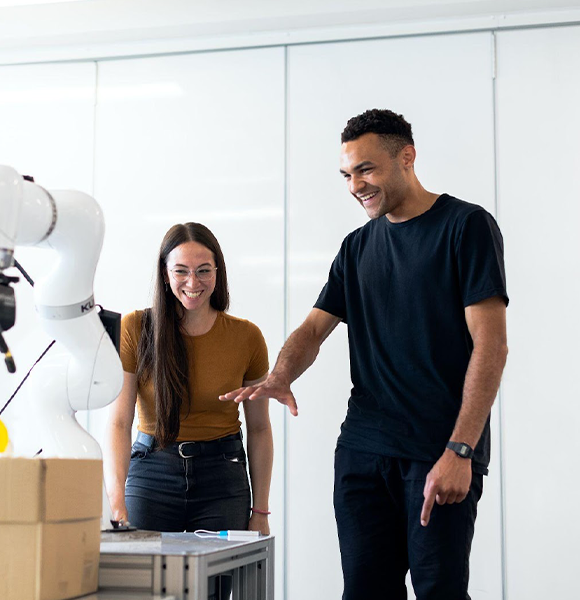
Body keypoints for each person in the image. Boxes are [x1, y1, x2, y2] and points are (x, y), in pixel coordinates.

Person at [221, 109, 508, 599]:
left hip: (437, 451)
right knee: (364, 591)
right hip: (363, 451)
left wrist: (461, 450)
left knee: (439, 590)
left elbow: (492, 345)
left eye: (366, 169)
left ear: (407, 158)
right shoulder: (356, 247)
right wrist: (280, 374)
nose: (356, 184)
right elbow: (314, 328)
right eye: (347, 174)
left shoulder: (466, 227)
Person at [104, 222, 273, 539]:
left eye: (204, 270)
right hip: (152, 469)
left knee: (214, 587)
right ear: (165, 274)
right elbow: (119, 422)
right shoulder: (134, 327)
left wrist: (260, 511)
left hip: (222, 475)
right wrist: (116, 501)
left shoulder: (246, 337)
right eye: (181, 271)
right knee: (144, 583)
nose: (192, 282)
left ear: (217, 273)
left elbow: (260, 428)